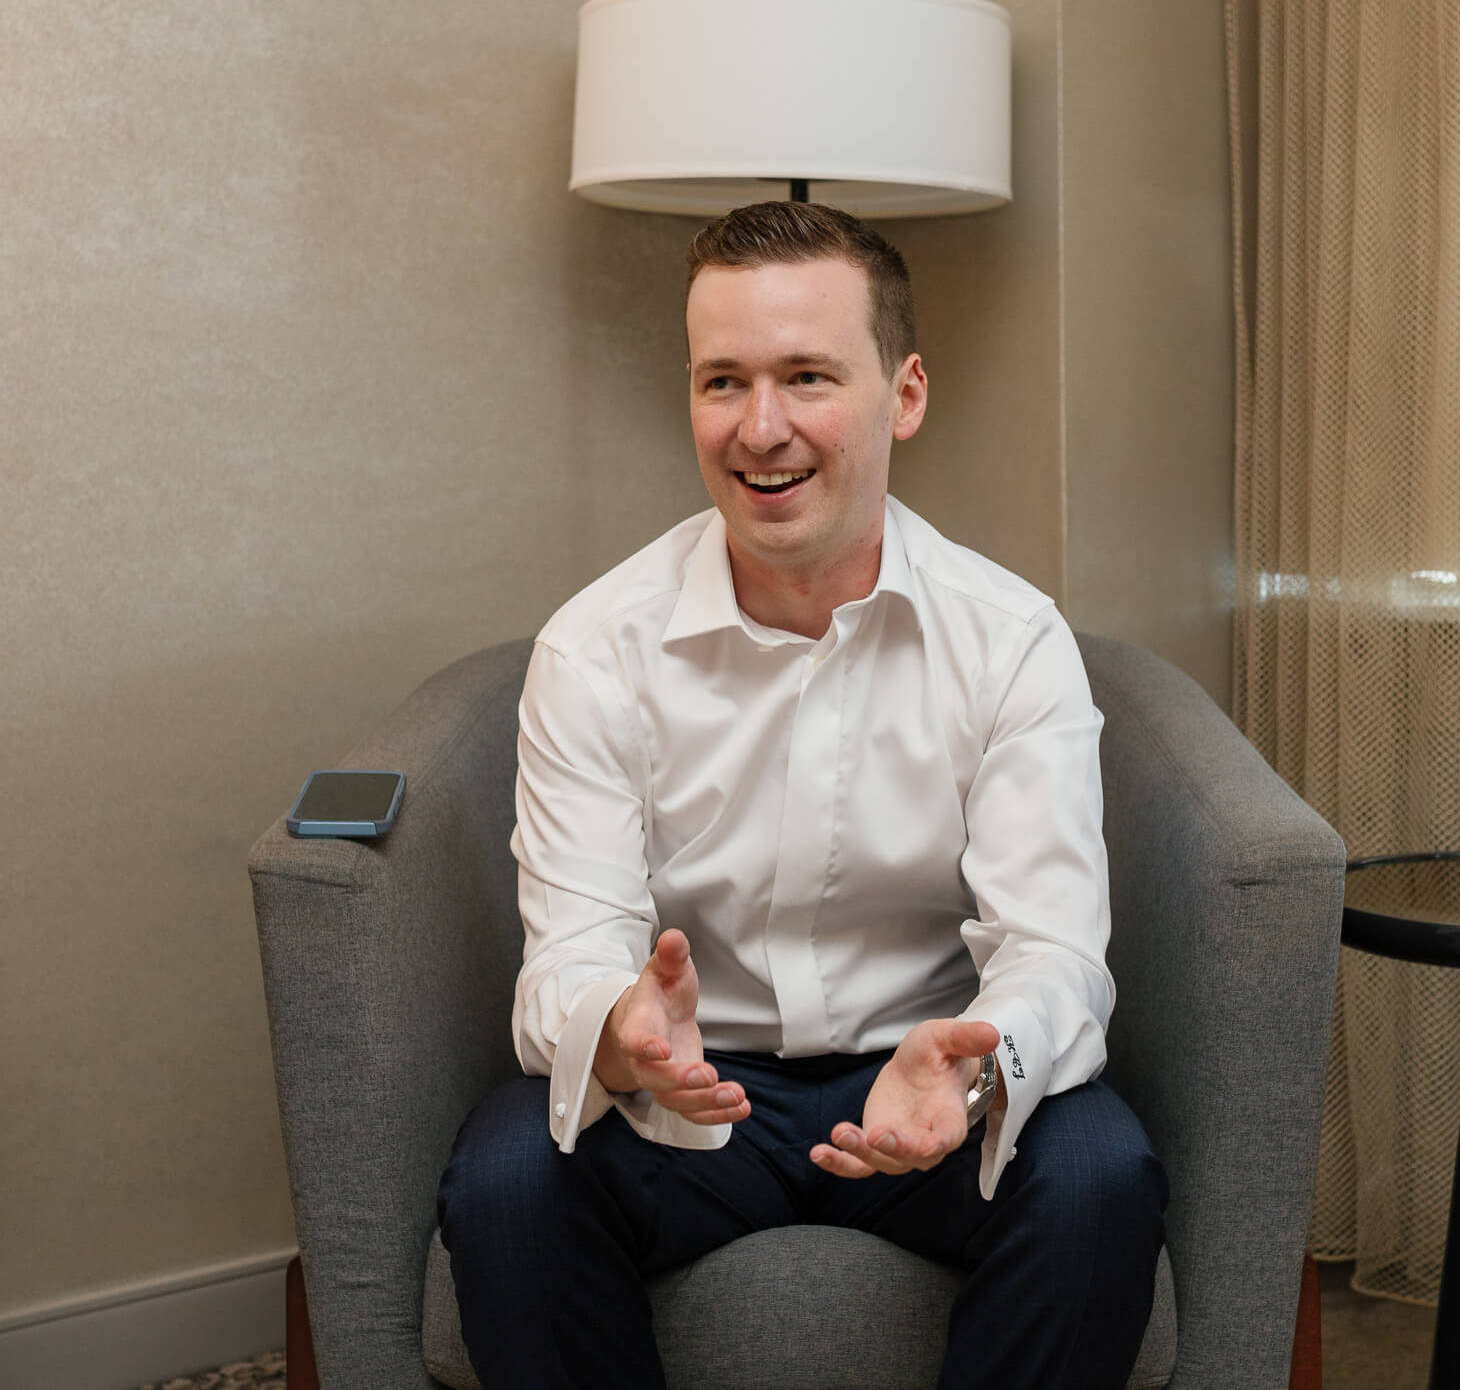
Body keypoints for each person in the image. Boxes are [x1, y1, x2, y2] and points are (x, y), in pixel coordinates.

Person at [436, 201, 1167, 1389]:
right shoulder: (595, 648)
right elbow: (569, 949)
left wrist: (977, 1068)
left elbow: (1054, 953)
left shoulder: (1011, 640)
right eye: (722, 380)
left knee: (1098, 1173)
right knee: (515, 1171)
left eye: (808, 376)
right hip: (691, 1093)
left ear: (906, 394)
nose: (759, 428)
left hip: (920, 1084)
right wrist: (619, 1035)